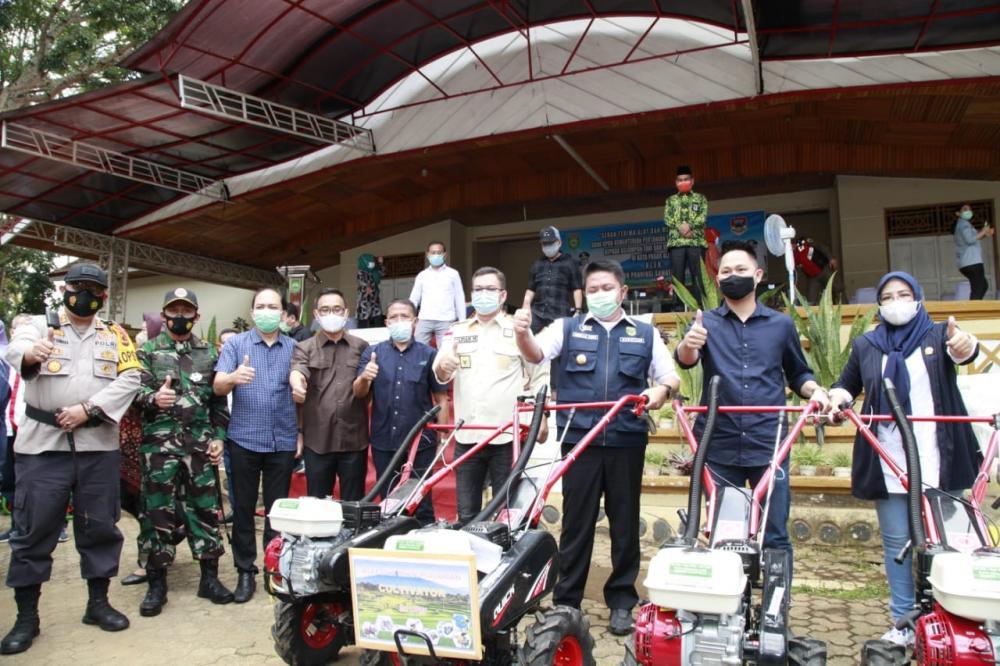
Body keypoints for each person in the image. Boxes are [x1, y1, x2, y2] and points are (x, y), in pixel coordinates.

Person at [514, 258, 679, 635]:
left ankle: (621, 601)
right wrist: (522, 333)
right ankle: (567, 600)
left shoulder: (645, 333)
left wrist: (661, 391)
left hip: (626, 441)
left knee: (625, 523)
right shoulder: (567, 328)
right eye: (592, 290)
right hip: (580, 442)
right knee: (576, 523)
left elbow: (670, 377)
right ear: (584, 294)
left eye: (607, 288)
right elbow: (535, 353)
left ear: (622, 291)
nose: (600, 295)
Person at [829, 271, 980, 647]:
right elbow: (846, 385)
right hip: (889, 460)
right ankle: (904, 622)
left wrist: (964, 345)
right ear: (879, 305)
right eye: (888, 297)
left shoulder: (938, 335)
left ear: (918, 298)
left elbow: (964, 351)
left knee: (950, 545)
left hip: (940, 458)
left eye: (904, 294)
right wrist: (837, 399)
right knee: (897, 545)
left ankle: (954, 619)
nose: (896, 302)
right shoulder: (867, 345)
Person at [2, 263, 141, 655]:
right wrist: (32, 352)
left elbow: (132, 377)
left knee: (100, 528)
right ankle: (27, 617)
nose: (85, 294)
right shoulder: (38, 323)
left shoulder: (115, 334)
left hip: (97, 446)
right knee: (34, 530)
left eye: (93, 288)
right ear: (64, 289)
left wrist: (89, 409)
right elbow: (16, 348)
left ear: (104, 295)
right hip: (43, 448)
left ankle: (98, 604)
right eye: (77, 286)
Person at [675, 241, 830, 574]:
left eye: (741, 270)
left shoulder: (781, 325)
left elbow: (798, 374)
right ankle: (728, 599)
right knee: (722, 532)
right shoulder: (705, 323)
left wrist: (815, 391)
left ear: (758, 275)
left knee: (775, 535)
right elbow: (686, 360)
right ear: (717, 279)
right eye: (726, 271)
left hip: (769, 443)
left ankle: (776, 603)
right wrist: (688, 344)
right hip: (718, 443)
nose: (733, 276)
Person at [134, 288, 234, 616]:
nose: (179, 316)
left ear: (196, 316)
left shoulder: (209, 353)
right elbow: (133, 393)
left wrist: (218, 437)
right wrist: (152, 399)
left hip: (199, 447)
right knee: (156, 513)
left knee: (204, 510)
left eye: (186, 311)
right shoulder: (147, 351)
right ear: (163, 315)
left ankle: (209, 579)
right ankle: (156, 584)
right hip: (158, 448)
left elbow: (218, 401)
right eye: (173, 310)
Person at [433, 267, 548, 522]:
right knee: (467, 513)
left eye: (490, 289)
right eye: (478, 289)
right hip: (468, 437)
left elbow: (539, 373)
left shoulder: (518, 330)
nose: (483, 294)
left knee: (507, 513)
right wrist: (444, 366)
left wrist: (542, 416)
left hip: (506, 437)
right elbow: (439, 372)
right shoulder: (457, 331)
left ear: (503, 295)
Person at [213, 288, 298, 603]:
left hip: (282, 440)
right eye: (261, 306)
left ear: (283, 313)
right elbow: (217, 385)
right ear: (252, 313)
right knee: (244, 509)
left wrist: (300, 432)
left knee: (277, 511)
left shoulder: (294, 347)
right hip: (244, 439)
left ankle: (274, 568)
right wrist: (234, 377)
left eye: (272, 306)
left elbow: (302, 394)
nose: (266, 311)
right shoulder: (236, 345)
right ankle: (245, 571)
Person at [353, 299, 450, 525]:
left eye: (404, 317)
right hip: (384, 440)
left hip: (421, 442)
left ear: (415, 321)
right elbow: (359, 393)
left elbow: (441, 398)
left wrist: (443, 438)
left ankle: (424, 536)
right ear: (386, 322)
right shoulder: (373, 353)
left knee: (421, 500)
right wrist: (365, 377)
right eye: (394, 317)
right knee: (388, 501)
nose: (399, 321)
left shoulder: (429, 354)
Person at [289, 289, 369, 500]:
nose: (331, 314)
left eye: (336, 309)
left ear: (346, 313)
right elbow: (298, 371)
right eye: (325, 310)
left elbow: (366, 390)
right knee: (317, 505)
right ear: (316, 315)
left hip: (354, 439)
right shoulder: (304, 347)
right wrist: (297, 384)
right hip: (318, 441)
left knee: (354, 504)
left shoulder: (361, 347)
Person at [522, 226, 583, 335]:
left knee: (558, 343)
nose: (547, 246)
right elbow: (530, 289)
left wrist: (578, 310)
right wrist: (525, 307)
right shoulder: (537, 264)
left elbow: (577, 288)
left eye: (550, 243)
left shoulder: (570, 263)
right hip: (537, 314)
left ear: (559, 242)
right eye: (544, 244)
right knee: (527, 337)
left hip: (559, 314)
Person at [1, 315, 29, 544]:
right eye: (16, 328)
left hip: (29, 430)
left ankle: (57, 526)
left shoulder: (39, 360)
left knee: (33, 481)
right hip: (8, 430)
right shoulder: (5, 360)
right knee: (10, 481)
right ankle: (16, 527)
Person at [664, 165, 708, 306]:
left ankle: (700, 306)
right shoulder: (670, 200)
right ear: (676, 182)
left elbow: (703, 217)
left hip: (696, 242)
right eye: (680, 180)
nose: (683, 182)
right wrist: (680, 227)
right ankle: (678, 306)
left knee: (698, 276)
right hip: (676, 244)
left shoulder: (700, 198)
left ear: (692, 181)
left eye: (686, 179)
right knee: (678, 276)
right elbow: (667, 219)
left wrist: (690, 226)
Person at [410, 241, 466, 348]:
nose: (436, 255)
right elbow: (414, 298)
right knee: (418, 350)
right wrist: (410, 318)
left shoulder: (453, 274)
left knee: (446, 351)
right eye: (433, 252)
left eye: (439, 252)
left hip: (446, 320)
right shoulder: (422, 275)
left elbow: (459, 297)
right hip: (424, 319)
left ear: (445, 255)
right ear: (428, 254)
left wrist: (462, 320)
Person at [216, 327, 239, 521]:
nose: (228, 346)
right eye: (224, 342)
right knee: (230, 472)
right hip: (222, 428)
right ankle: (233, 509)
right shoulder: (214, 369)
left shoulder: (248, 366)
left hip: (242, 428)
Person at [953, 204, 994, 300]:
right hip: (971, 262)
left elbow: (974, 238)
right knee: (979, 287)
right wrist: (984, 231)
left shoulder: (964, 224)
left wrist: (985, 234)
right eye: (965, 209)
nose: (968, 211)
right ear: (958, 213)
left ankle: (974, 305)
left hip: (969, 262)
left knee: (983, 285)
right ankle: (973, 307)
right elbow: (970, 239)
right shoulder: (963, 224)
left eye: (970, 209)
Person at [356, 253, 385, 329]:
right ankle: (363, 330)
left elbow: (381, 273)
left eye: (372, 261)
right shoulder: (361, 271)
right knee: (364, 314)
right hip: (365, 296)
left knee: (377, 313)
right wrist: (367, 286)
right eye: (370, 261)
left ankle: (378, 329)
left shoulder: (373, 271)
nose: (372, 263)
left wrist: (380, 263)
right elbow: (361, 280)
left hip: (374, 296)